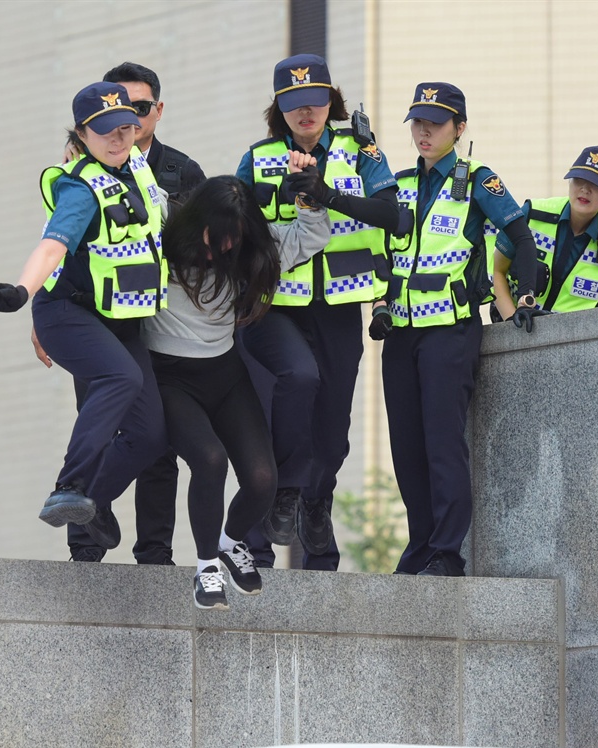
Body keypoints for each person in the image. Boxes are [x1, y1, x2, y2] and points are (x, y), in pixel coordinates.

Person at [234, 53, 408, 572]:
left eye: (315, 103)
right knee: (295, 384)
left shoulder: (361, 150)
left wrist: (326, 195)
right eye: (294, 106)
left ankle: (316, 496)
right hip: (275, 306)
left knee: (333, 431)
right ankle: (286, 492)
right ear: (279, 109)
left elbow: (394, 215)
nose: (306, 114)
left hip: (338, 305)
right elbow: (232, 227)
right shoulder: (259, 157)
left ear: (331, 101)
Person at [0, 81, 167, 550]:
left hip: (118, 314)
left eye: (126, 128)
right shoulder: (79, 187)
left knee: (150, 437)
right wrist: (22, 290)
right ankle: (69, 487)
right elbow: (52, 246)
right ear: (82, 135)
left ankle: (90, 507)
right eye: (106, 132)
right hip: (65, 313)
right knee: (121, 379)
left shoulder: (138, 169)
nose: (119, 139)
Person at [371, 82, 540, 578]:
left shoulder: (478, 180)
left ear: (459, 129)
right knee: (406, 447)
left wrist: (524, 295)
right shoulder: (399, 183)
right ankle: (420, 544)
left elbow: (520, 238)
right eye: (418, 122)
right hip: (401, 332)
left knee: (443, 442)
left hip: (450, 330)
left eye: (436, 123)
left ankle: (447, 551)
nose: (424, 131)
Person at [146, 166, 330, 609]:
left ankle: (230, 544)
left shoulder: (249, 249)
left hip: (224, 372)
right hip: (170, 376)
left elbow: (312, 235)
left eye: (235, 238)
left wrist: (310, 194)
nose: (225, 248)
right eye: (218, 237)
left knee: (263, 479)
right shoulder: (162, 235)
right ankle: (206, 565)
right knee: (209, 460)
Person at [60, 61, 207, 566]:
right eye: (115, 110)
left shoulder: (181, 170)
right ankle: (84, 542)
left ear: (157, 112)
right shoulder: (80, 173)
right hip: (98, 320)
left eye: (138, 109)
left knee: (157, 441)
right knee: (97, 424)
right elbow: (61, 250)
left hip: (159, 325)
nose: (127, 121)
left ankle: (155, 553)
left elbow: (198, 250)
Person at [491, 146, 598, 329]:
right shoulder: (533, 214)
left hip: (578, 340)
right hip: (519, 328)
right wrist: (512, 322)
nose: (585, 189)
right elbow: (497, 270)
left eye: (597, 184)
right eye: (579, 179)